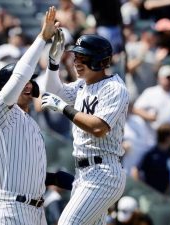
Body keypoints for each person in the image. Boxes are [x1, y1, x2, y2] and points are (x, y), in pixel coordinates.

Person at [40, 30, 129, 224]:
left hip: (104, 172)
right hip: (84, 173)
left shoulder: (114, 87)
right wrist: (53, 63)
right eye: (76, 56)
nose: (77, 62)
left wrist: (64, 108)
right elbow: (54, 91)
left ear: (100, 61)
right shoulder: (83, 84)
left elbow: (99, 128)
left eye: (83, 57)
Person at [0, 6, 58, 225]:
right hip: (9, 207)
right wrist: (42, 39)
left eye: (29, 82)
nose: (27, 85)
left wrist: (52, 178)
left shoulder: (29, 121)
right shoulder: (0, 112)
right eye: (21, 83)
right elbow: (21, 74)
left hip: (35, 209)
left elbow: (24, 170)